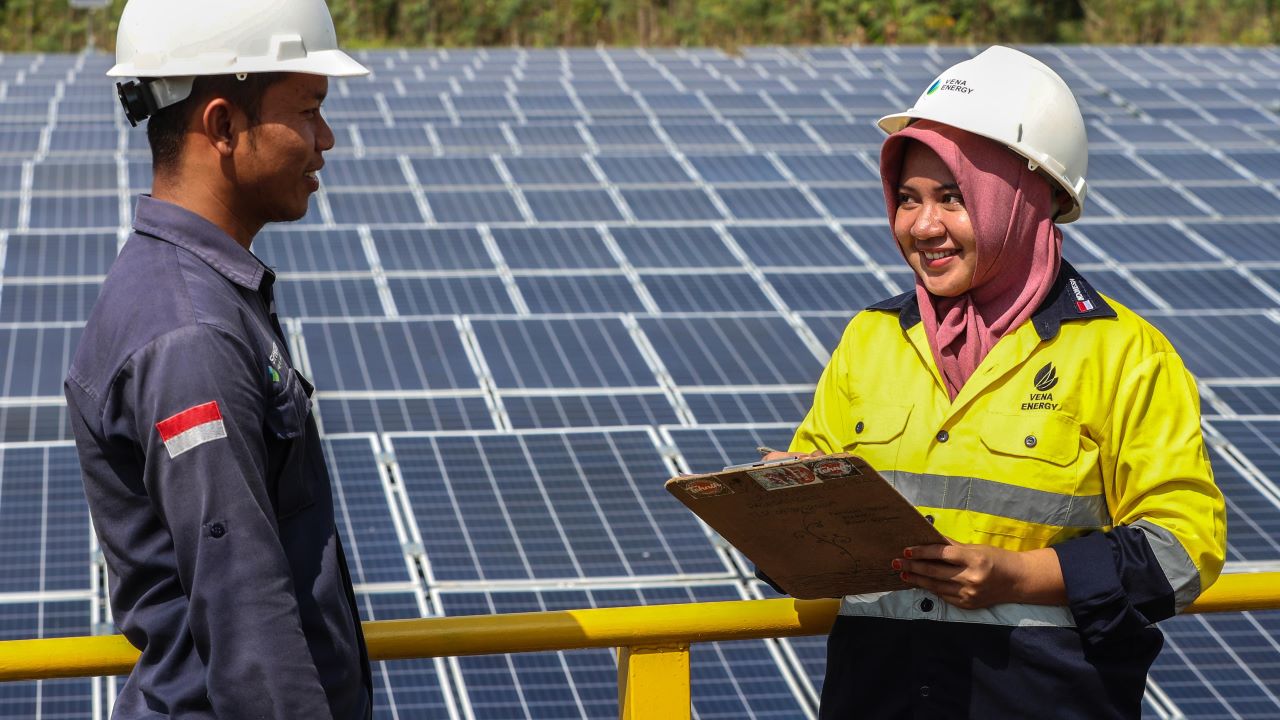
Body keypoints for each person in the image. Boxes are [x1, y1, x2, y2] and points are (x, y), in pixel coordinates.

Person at [764, 46, 1226, 719]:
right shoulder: (871, 340)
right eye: (908, 200)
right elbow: (810, 549)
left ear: (1024, 197)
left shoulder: (1125, 354)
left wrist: (1019, 576)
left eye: (953, 199)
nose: (923, 227)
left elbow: (1185, 552)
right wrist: (781, 515)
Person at [63, 0, 374, 717]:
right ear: (224, 125)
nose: (325, 138)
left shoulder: (194, 294)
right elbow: (248, 623)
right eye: (307, 109)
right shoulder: (191, 334)